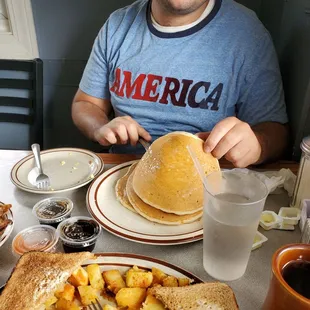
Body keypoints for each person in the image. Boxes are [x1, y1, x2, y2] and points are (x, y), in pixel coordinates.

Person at [72, 0, 289, 168]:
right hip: (124, 169)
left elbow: (276, 131)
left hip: (207, 180)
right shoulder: (117, 26)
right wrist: (101, 127)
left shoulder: (249, 33)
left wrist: (258, 146)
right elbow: (86, 103)